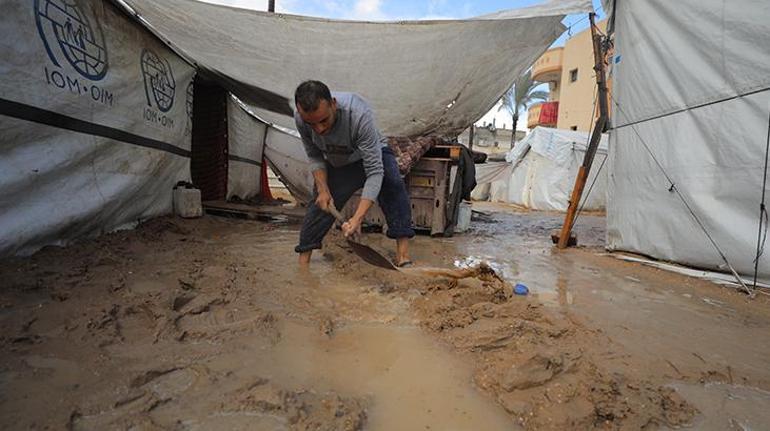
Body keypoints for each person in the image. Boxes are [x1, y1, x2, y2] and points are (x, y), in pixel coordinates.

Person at [293, 80, 414, 266]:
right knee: (319, 203)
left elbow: (374, 171)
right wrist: (323, 188)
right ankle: (303, 263)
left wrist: (357, 218)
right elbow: (315, 156)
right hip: (339, 160)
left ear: (333, 104)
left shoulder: (358, 115)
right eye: (312, 124)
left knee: (393, 184)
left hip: (373, 154)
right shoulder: (301, 118)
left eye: (324, 120)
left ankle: (403, 255)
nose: (320, 129)